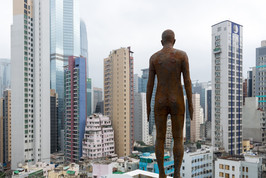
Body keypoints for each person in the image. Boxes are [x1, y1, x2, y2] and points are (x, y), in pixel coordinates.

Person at [146, 29, 193, 178]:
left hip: (159, 99)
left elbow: (149, 85)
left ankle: (161, 173)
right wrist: (190, 104)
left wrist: (147, 105)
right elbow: (187, 82)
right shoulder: (182, 55)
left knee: (159, 138)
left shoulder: (154, 58)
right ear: (174, 41)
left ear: (161, 41)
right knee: (178, 138)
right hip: (177, 99)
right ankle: (177, 174)